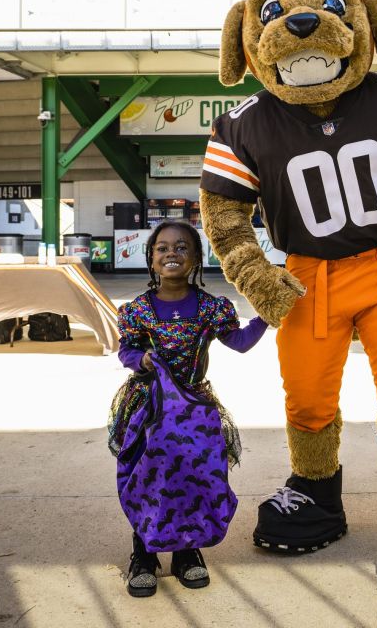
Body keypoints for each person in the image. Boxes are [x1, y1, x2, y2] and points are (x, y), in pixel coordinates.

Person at [113, 220, 267, 597]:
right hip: (148, 409)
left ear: (196, 258)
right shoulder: (137, 310)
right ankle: (144, 552)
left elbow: (242, 341)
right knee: (149, 477)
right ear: (150, 259)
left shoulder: (212, 308)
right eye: (162, 248)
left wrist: (268, 313)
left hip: (195, 411)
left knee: (194, 478)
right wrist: (140, 359)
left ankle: (187, 552)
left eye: (182, 248)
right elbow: (125, 350)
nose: (171, 254)